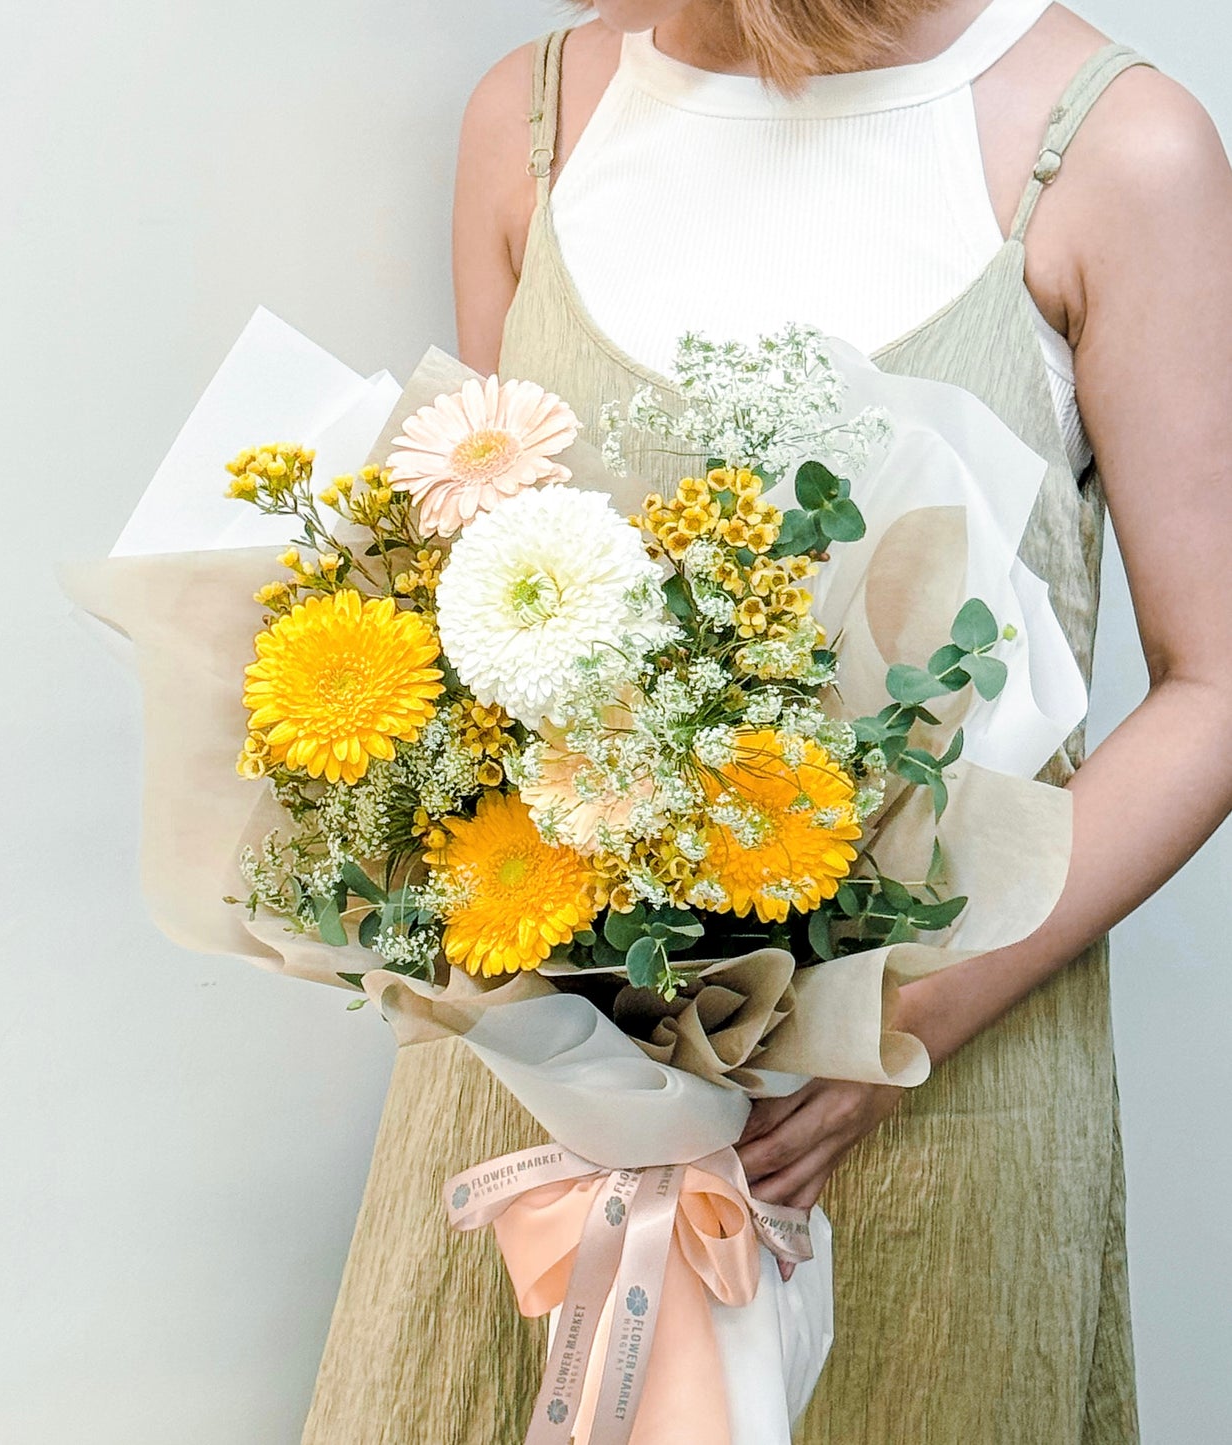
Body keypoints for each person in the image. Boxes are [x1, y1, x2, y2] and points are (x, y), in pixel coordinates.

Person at [302, 3, 1232, 1440]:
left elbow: (1216, 686)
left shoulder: (1112, 145)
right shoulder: (533, 118)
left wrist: (891, 1026)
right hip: (543, 1115)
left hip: (920, 1108)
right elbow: (480, 622)